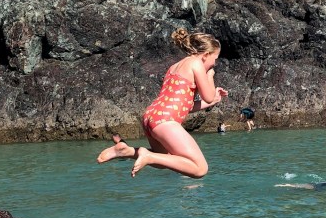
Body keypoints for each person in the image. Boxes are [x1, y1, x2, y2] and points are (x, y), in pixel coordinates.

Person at [97, 28, 228, 178]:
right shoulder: (196, 63)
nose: (215, 63)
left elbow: (185, 106)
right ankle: (147, 156)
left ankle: (127, 151)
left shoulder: (174, 67)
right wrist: (210, 76)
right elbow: (209, 96)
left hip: (151, 117)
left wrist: (212, 101)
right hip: (165, 120)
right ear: (205, 55)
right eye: (215, 58)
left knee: (163, 160)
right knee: (200, 169)